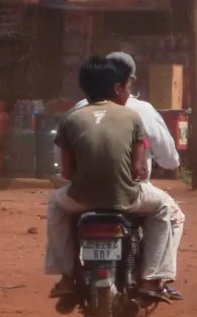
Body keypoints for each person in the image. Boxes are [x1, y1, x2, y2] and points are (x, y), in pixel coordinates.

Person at [47, 55, 185, 302]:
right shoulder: (134, 115)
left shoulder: (73, 116)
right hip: (127, 196)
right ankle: (152, 279)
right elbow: (139, 169)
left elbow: (66, 172)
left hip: (81, 198)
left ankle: (67, 277)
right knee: (168, 210)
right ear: (119, 87)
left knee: (56, 205)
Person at [72, 52, 181, 177]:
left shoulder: (79, 108)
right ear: (130, 80)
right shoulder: (142, 110)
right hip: (130, 190)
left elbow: (62, 156)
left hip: (83, 188)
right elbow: (169, 159)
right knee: (164, 197)